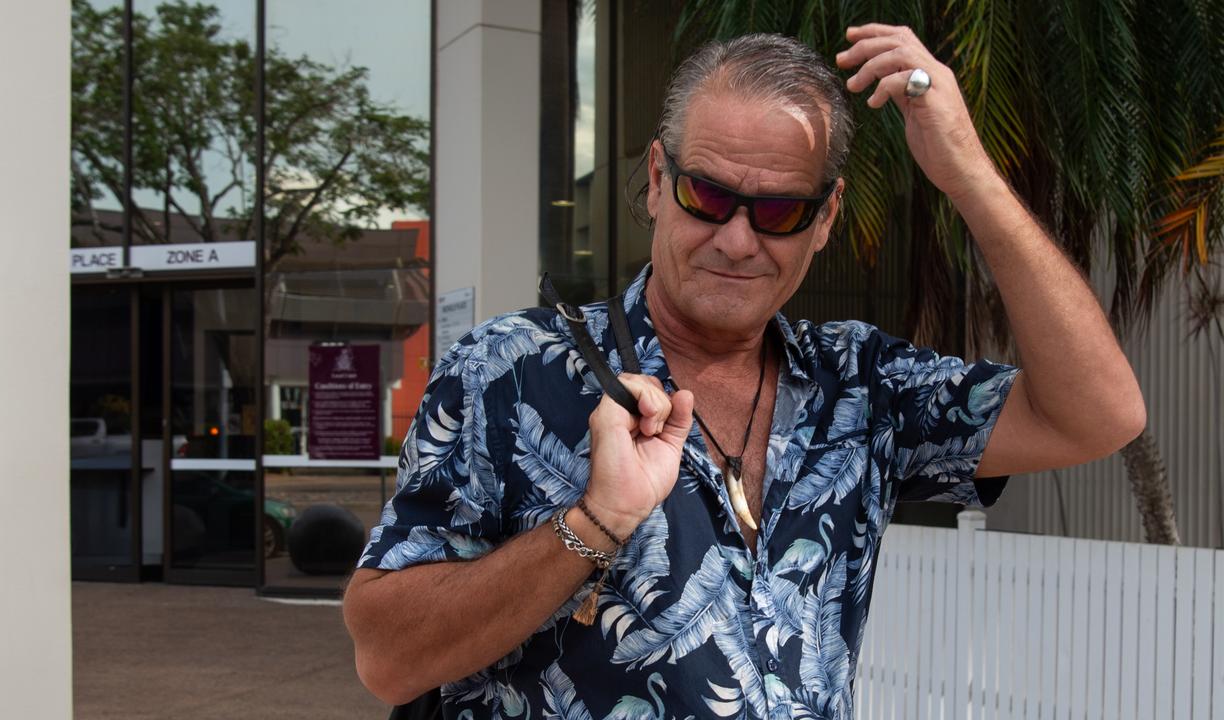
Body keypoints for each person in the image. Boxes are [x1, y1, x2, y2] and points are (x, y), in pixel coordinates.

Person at [343, 27, 1144, 720]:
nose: (735, 240)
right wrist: (591, 525)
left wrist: (968, 174)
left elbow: (1098, 415)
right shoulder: (510, 371)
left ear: (824, 219)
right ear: (657, 181)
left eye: (778, 211)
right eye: (706, 195)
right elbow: (387, 655)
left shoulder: (861, 387)